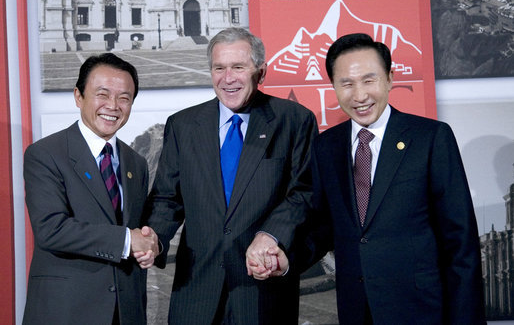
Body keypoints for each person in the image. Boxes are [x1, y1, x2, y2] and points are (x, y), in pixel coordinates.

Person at [271, 33, 485, 324]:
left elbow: (460, 242)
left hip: (422, 311)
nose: (359, 95)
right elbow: (323, 228)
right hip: (356, 311)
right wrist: (288, 259)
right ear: (333, 86)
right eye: (346, 83)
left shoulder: (430, 138)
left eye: (369, 80)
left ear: (390, 78)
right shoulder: (325, 146)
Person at [145, 27, 318, 324]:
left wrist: (271, 234)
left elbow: (304, 191)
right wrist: (154, 240)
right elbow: (167, 198)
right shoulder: (183, 125)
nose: (228, 78)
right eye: (219, 68)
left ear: (261, 72)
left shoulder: (295, 120)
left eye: (238, 67)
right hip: (196, 288)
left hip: (262, 288)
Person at [23, 53, 158, 325]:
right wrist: (127, 241)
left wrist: (149, 244)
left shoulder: (136, 162)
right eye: (102, 94)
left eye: (124, 98)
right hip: (67, 311)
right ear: (78, 96)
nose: (113, 106)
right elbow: (51, 229)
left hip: (126, 311)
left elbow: (137, 229)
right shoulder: (46, 154)